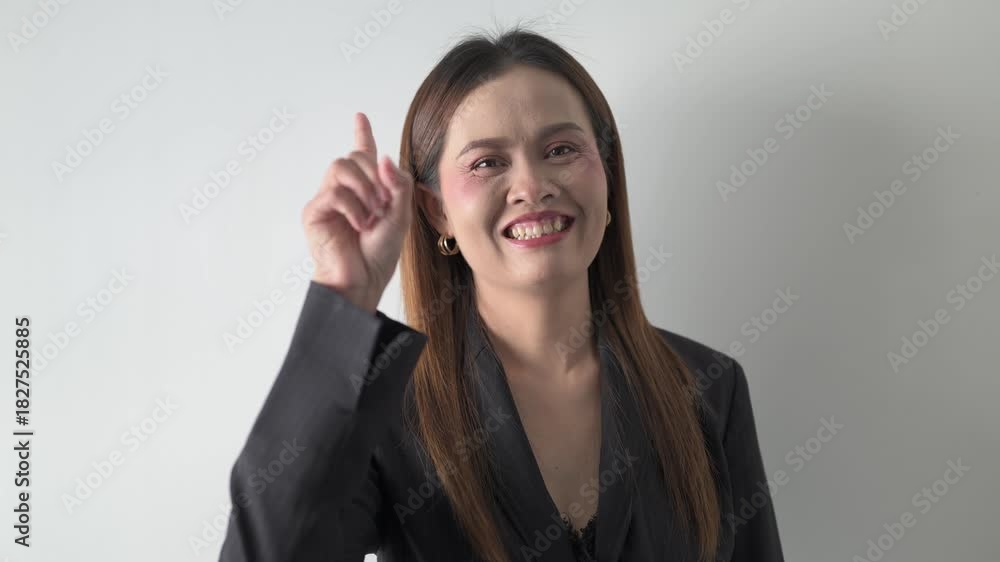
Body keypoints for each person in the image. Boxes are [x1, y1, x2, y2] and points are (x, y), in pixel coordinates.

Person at [219, 27, 784, 562]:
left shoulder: (709, 387)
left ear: (607, 177)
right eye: (487, 162)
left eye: (561, 149)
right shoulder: (388, 410)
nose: (532, 186)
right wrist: (344, 293)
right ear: (436, 211)